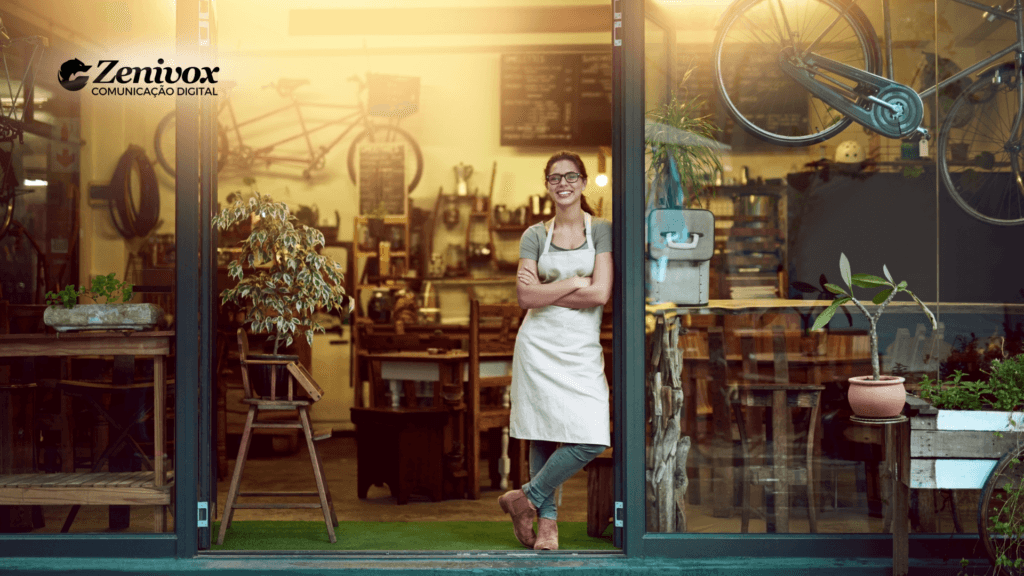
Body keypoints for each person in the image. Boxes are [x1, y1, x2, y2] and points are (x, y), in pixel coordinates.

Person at [497, 150, 612, 550]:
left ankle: (523, 498)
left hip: (580, 348)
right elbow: (525, 297)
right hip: (538, 345)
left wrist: (550, 291)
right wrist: (574, 282)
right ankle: (547, 527)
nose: (563, 183)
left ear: (582, 182)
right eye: (554, 178)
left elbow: (601, 292)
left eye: (570, 176)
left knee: (592, 436)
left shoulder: (601, 230)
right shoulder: (534, 234)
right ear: (547, 185)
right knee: (542, 432)